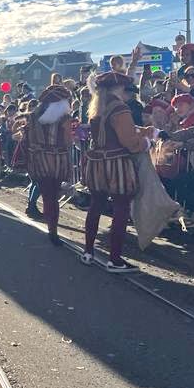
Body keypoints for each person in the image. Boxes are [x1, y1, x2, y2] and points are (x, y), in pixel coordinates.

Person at [81, 71, 155, 273]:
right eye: (125, 89)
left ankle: (88, 251)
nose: (127, 93)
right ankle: (115, 259)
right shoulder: (119, 108)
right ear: (118, 88)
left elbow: (115, 132)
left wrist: (140, 130)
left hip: (97, 165)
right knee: (121, 209)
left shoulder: (98, 108)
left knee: (96, 206)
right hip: (116, 165)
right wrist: (148, 141)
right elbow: (130, 143)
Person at [24, 84, 74, 245]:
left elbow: (27, 138)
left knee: (47, 196)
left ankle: (51, 227)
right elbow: (67, 141)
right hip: (57, 163)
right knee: (53, 197)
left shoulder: (33, 116)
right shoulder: (64, 118)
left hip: (38, 162)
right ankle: (53, 229)